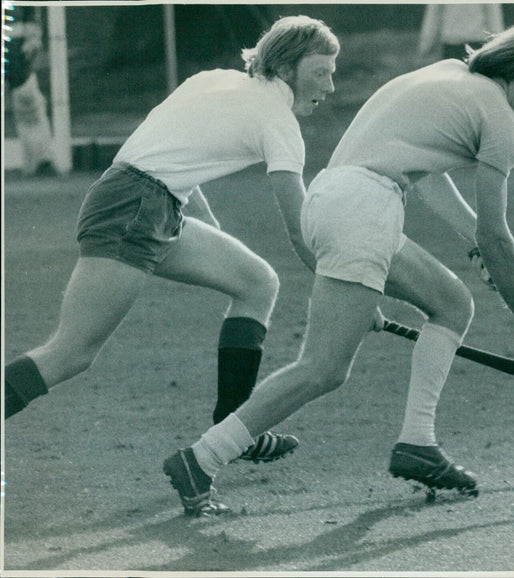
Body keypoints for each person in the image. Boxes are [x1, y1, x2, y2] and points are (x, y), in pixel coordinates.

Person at [163, 23, 514, 515]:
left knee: (451, 303)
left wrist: (471, 244)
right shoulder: (500, 121)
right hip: (365, 210)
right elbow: (497, 234)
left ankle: (418, 442)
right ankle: (201, 458)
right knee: (322, 369)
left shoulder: (449, 75)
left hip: (336, 200)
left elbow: (429, 177)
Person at [4, 16, 340, 492]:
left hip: (143, 201)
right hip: (136, 208)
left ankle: (232, 429)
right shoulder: (278, 121)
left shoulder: (215, 80)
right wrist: (341, 288)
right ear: (287, 66)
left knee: (255, 281)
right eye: (321, 72)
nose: (330, 85)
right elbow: (298, 224)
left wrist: (217, 245)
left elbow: (179, 160)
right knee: (71, 352)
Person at [5, 5, 60, 176]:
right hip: (17, 54)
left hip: (17, 57)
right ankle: (41, 160)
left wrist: (32, 39)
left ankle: (41, 161)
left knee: (28, 103)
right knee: (28, 103)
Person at [418, 3, 505, 61]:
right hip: (467, 44)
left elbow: (433, 17)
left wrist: (425, 46)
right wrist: (498, 47)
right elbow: (494, 19)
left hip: (456, 44)